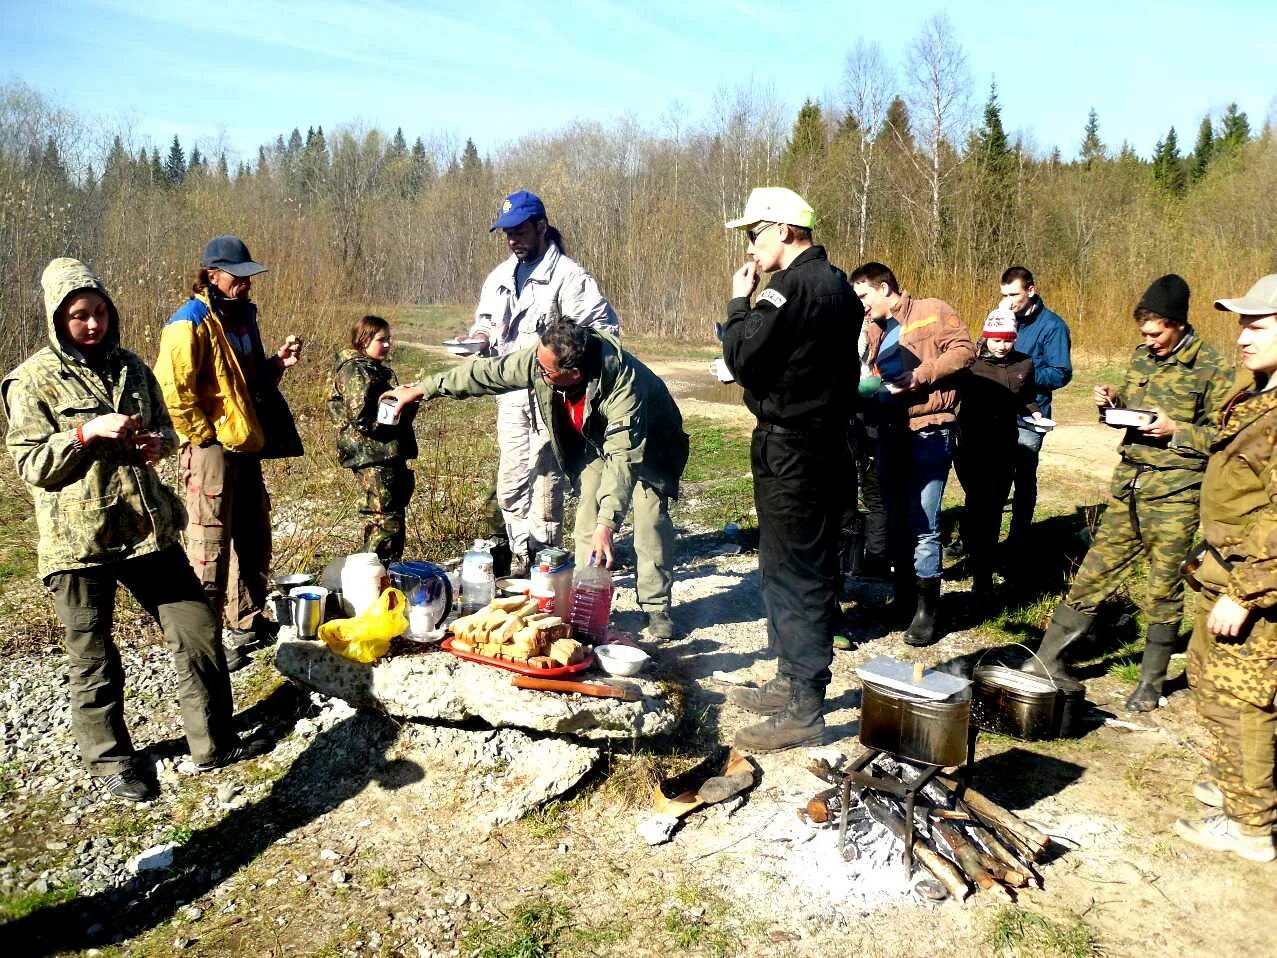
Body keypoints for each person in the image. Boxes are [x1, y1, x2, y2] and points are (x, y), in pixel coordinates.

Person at [2, 259, 268, 802]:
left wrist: (158, 444)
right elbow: (31, 466)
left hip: (148, 529)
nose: (93, 324)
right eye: (79, 316)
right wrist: (84, 433)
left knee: (197, 630)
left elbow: (168, 428)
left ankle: (213, 742)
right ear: (57, 319)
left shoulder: (129, 367)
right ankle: (111, 760)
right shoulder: (30, 380)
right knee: (93, 656)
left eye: (99, 312)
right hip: (78, 544)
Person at [386, 322, 688, 639]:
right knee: (588, 512)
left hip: (652, 443)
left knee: (649, 518)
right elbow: (488, 373)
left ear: (573, 372)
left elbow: (624, 459)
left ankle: (657, 607)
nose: (537, 370)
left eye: (545, 370)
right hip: (596, 439)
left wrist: (608, 526)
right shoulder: (542, 361)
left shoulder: (624, 385)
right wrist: (424, 388)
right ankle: (587, 603)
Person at [1024, 275, 1231, 711]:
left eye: (1155, 333)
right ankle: (1046, 662)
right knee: (1092, 576)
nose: (1148, 340)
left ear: (1177, 325)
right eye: (1144, 334)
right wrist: (1111, 403)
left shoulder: (1212, 368)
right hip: (1129, 488)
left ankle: (1151, 683)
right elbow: (1133, 411)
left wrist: (1177, 430)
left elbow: (1227, 437)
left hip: (1176, 494)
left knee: (1162, 590)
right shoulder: (1143, 358)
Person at [720, 187, 858, 753]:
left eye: (754, 233)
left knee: (795, 569)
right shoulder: (840, 284)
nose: (752, 246)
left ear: (781, 229)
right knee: (793, 563)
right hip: (826, 444)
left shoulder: (789, 286)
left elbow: (742, 358)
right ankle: (790, 680)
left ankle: (805, 703)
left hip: (793, 450)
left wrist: (737, 304)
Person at [154, 236, 304, 670]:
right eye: (237, 276)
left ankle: (248, 622)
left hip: (245, 444)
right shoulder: (189, 321)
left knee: (253, 536)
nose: (245, 283)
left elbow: (247, 382)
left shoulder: (241, 317)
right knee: (210, 542)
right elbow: (173, 389)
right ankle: (207, 639)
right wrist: (202, 437)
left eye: (248, 276)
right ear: (212, 274)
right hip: (211, 449)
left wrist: (277, 364)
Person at [1174, 274, 1277, 863]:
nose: (1242, 336)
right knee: (1213, 687)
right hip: (1223, 574)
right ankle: (1233, 784)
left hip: (1252, 585)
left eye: (1258, 324)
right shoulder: (1257, 390)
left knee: (1247, 703)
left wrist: (1246, 591)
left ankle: (1252, 826)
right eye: (1242, 323)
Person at [466, 190, 620, 578]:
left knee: (546, 482)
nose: (512, 239)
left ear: (541, 227)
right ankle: (523, 553)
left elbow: (603, 331)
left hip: (549, 397)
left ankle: (544, 559)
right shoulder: (500, 277)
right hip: (510, 394)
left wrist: (565, 362)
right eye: (507, 233)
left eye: (519, 231)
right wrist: (479, 338)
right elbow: (484, 320)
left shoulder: (570, 278)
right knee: (511, 479)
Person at [853, 262, 974, 647]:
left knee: (925, 522)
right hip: (891, 431)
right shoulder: (874, 328)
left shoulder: (932, 311)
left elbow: (965, 351)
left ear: (884, 287)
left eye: (864, 296)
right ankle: (903, 600)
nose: (862, 306)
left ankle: (927, 613)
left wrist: (921, 375)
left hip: (930, 429)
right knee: (895, 520)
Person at [956, 308, 1043, 603]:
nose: (1001, 345)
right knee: (975, 506)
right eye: (995, 339)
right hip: (970, 447)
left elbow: (1027, 396)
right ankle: (972, 554)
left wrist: (1036, 413)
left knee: (991, 511)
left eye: (1007, 340)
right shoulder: (971, 366)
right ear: (986, 337)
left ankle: (982, 580)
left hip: (1005, 446)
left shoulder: (1024, 364)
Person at [328, 315, 418, 565]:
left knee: (389, 516)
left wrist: (403, 399)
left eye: (389, 339)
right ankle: (375, 578)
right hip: (373, 454)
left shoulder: (370, 368)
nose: (388, 345)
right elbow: (362, 419)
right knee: (384, 519)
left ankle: (383, 576)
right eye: (381, 340)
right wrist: (399, 408)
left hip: (383, 453)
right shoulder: (355, 370)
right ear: (363, 340)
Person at [998, 266, 1073, 555]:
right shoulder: (1004, 319)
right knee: (992, 477)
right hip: (998, 412)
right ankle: (980, 538)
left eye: (1014, 294)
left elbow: (1060, 373)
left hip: (1030, 416)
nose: (1009, 300)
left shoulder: (1052, 326)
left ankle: (1017, 540)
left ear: (1031, 290)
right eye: (1004, 294)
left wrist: (1023, 373)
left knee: (1023, 476)